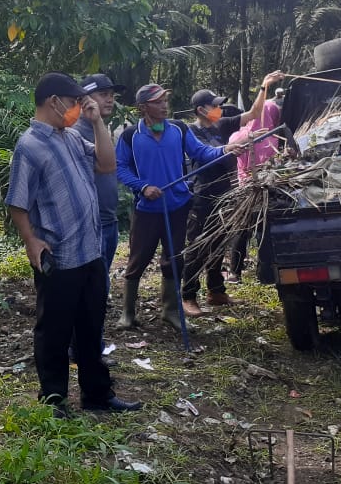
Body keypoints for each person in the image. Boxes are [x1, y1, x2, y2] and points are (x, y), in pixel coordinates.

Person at [6, 72, 141, 417]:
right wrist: (30, 240)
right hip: (60, 254)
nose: (80, 108)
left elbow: (107, 164)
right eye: (75, 102)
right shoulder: (29, 145)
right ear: (54, 102)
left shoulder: (69, 137)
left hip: (90, 251)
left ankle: (97, 395)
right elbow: (17, 202)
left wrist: (97, 124)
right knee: (54, 331)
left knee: (90, 328)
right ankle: (54, 401)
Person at [115, 83, 239, 331]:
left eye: (165, 100)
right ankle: (128, 313)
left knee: (173, 259)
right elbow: (120, 167)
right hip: (148, 209)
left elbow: (202, 153)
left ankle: (170, 311)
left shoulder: (178, 130)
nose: (164, 105)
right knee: (138, 260)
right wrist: (142, 186)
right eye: (158, 101)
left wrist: (225, 149)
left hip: (178, 206)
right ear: (143, 108)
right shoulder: (131, 135)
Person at [181, 71, 285, 316]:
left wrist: (263, 87)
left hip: (225, 194)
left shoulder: (221, 124)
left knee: (218, 243)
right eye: (214, 106)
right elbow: (207, 153)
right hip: (203, 196)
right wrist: (234, 146)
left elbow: (253, 115)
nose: (219, 109)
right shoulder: (191, 132)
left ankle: (216, 291)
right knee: (198, 246)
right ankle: (188, 295)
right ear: (200, 110)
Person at [226, 98, 299, 281]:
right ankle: (264, 272)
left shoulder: (238, 136)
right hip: (269, 189)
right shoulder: (277, 138)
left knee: (241, 230)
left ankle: (235, 272)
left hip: (245, 189)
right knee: (264, 230)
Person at [76, 73, 127, 301]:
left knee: (100, 284)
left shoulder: (101, 130)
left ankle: (94, 335)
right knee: (91, 288)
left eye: (112, 95)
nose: (110, 100)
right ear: (84, 99)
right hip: (90, 225)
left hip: (109, 221)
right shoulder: (76, 133)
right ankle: (88, 337)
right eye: (103, 94)